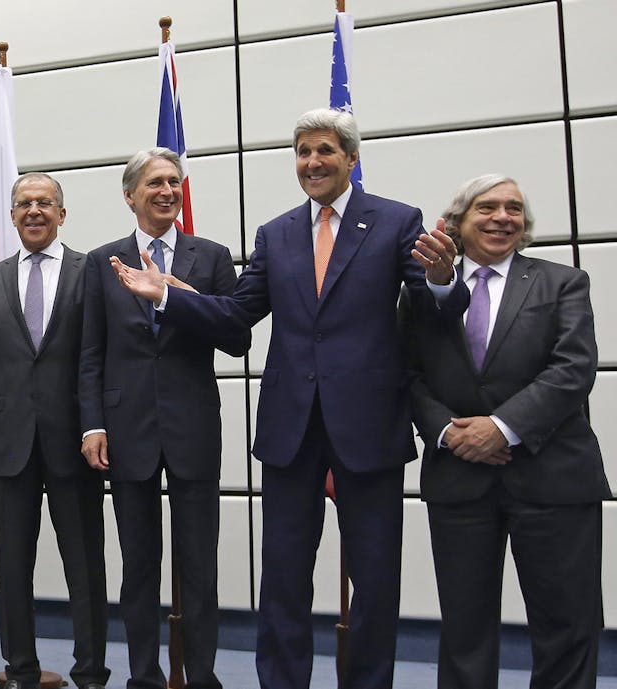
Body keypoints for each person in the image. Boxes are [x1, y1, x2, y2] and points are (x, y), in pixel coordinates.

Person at [110, 108, 467, 689]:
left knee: (375, 581)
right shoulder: (276, 233)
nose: (313, 162)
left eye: (325, 150)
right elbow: (238, 315)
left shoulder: (398, 221)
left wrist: (444, 278)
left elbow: (434, 315)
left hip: (369, 424)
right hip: (289, 429)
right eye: (303, 152)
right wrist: (169, 297)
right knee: (282, 578)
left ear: (351, 159)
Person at [405, 175, 609, 688]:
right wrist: (448, 434)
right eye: (488, 207)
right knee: (464, 630)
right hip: (458, 478)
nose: (503, 218)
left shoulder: (562, 282)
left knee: (566, 625)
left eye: (514, 209)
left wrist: (503, 427)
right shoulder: (425, 292)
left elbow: (574, 369)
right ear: (457, 224)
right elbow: (405, 376)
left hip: (555, 478)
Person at [79, 148, 248, 689]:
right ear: (131, 195)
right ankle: (144, 678)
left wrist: (178, 297)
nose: (167, 191)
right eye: (155, 183)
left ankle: (202, 677)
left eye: (175, 182)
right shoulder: (101, 261)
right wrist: (93, 424)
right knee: (139, 567)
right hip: (127, 432)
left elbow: (237, 338)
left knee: (200, 565)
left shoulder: (212, 256)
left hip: (193, 429)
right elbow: (90, 353)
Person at [0, 173, 110, 689]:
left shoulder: (89, 271)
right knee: (12, 567)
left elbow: (99, 356)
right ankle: (20, 669)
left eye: (44, 203)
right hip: (7, 446)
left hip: (76, 442)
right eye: (24, 203)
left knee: (85, 566)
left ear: (61, 215)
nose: (34, 211)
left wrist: (97, 425)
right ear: (11, 215)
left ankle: (91, 671)